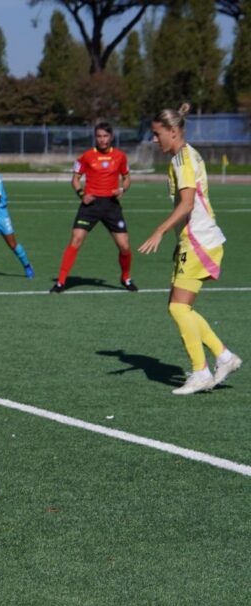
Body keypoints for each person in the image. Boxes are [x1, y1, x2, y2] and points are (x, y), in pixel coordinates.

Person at [137, 103, 242, 395]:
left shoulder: (182, 160)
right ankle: (224, 356)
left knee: (177, 307)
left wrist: (160, 231)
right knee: (182, 307)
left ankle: (201, 372)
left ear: (173, 131)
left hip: (199, 240)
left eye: (157, 134)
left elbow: (187, 203)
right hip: (197, 241)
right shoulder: (186, 155)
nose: (154, 140)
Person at [51, 122, 135, 293]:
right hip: (90, 205)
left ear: (111, 137)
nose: (102, 140)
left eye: (105, 136)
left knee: (124, 246)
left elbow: (126, 178)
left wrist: (122, 189)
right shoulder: (86, 156)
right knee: (76, 240)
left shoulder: (120, 156)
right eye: (99, 136)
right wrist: (82, 194)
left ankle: (125, 278)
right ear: (95, 137)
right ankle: (60, 282)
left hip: (111, 205)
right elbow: (75, 179)